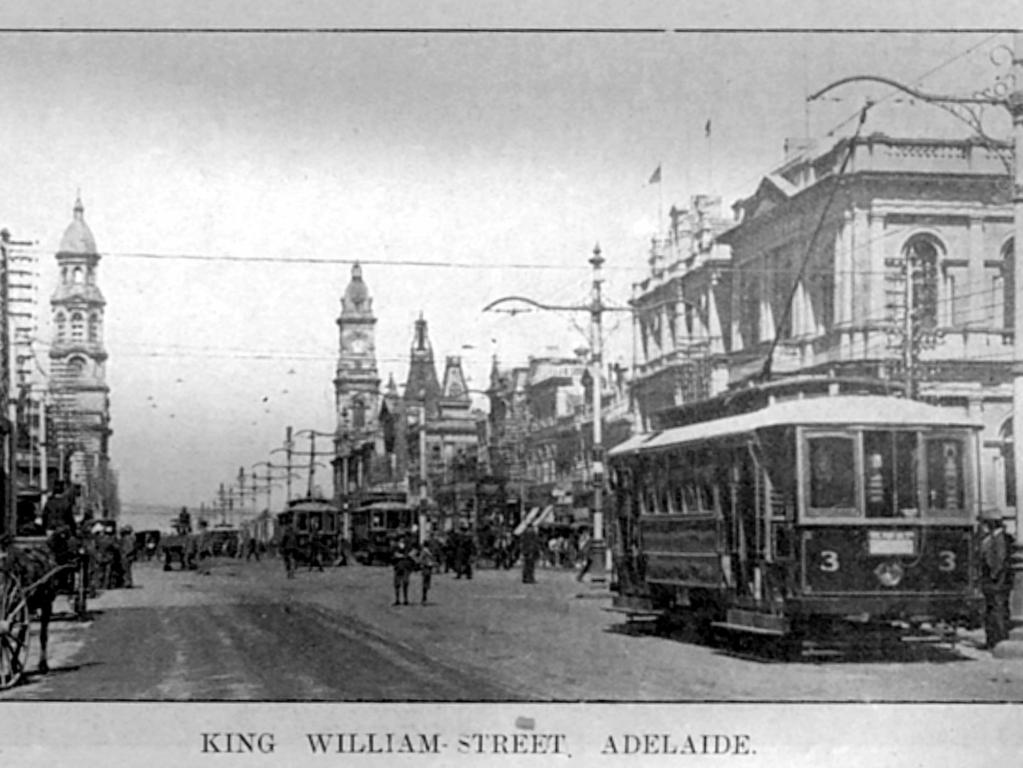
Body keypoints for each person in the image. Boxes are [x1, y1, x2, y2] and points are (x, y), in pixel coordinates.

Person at [979, 507, 1013, 650]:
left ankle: (998, 640)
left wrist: (993, 578)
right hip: (992, 582)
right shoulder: (991, 538)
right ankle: (992, 640)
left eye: (986, 523)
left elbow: (998, 560)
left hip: (997, 583)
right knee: (992, 611)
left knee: (997, 611)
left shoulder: (1000, 539)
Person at [392, 539, 416, 605]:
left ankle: (405, 600)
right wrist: (403, 556)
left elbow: (414, 552)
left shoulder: (409, 548)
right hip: (398, 567)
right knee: (397, 584)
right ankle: (398, 600)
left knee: (405, 582)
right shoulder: (396, 548)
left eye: (402, 542)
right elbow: (395, 554)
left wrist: (408, 555)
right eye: (400, 542)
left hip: (405, 567)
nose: (401, 543)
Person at [415, 539, 438, 604]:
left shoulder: (425, 551)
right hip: (427, 568)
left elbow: (421, 560)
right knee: (426, 582)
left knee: (426, 582)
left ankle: (424, 597)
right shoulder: (427, 551)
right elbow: (421, 560)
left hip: (427, 568)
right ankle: (424, 597)